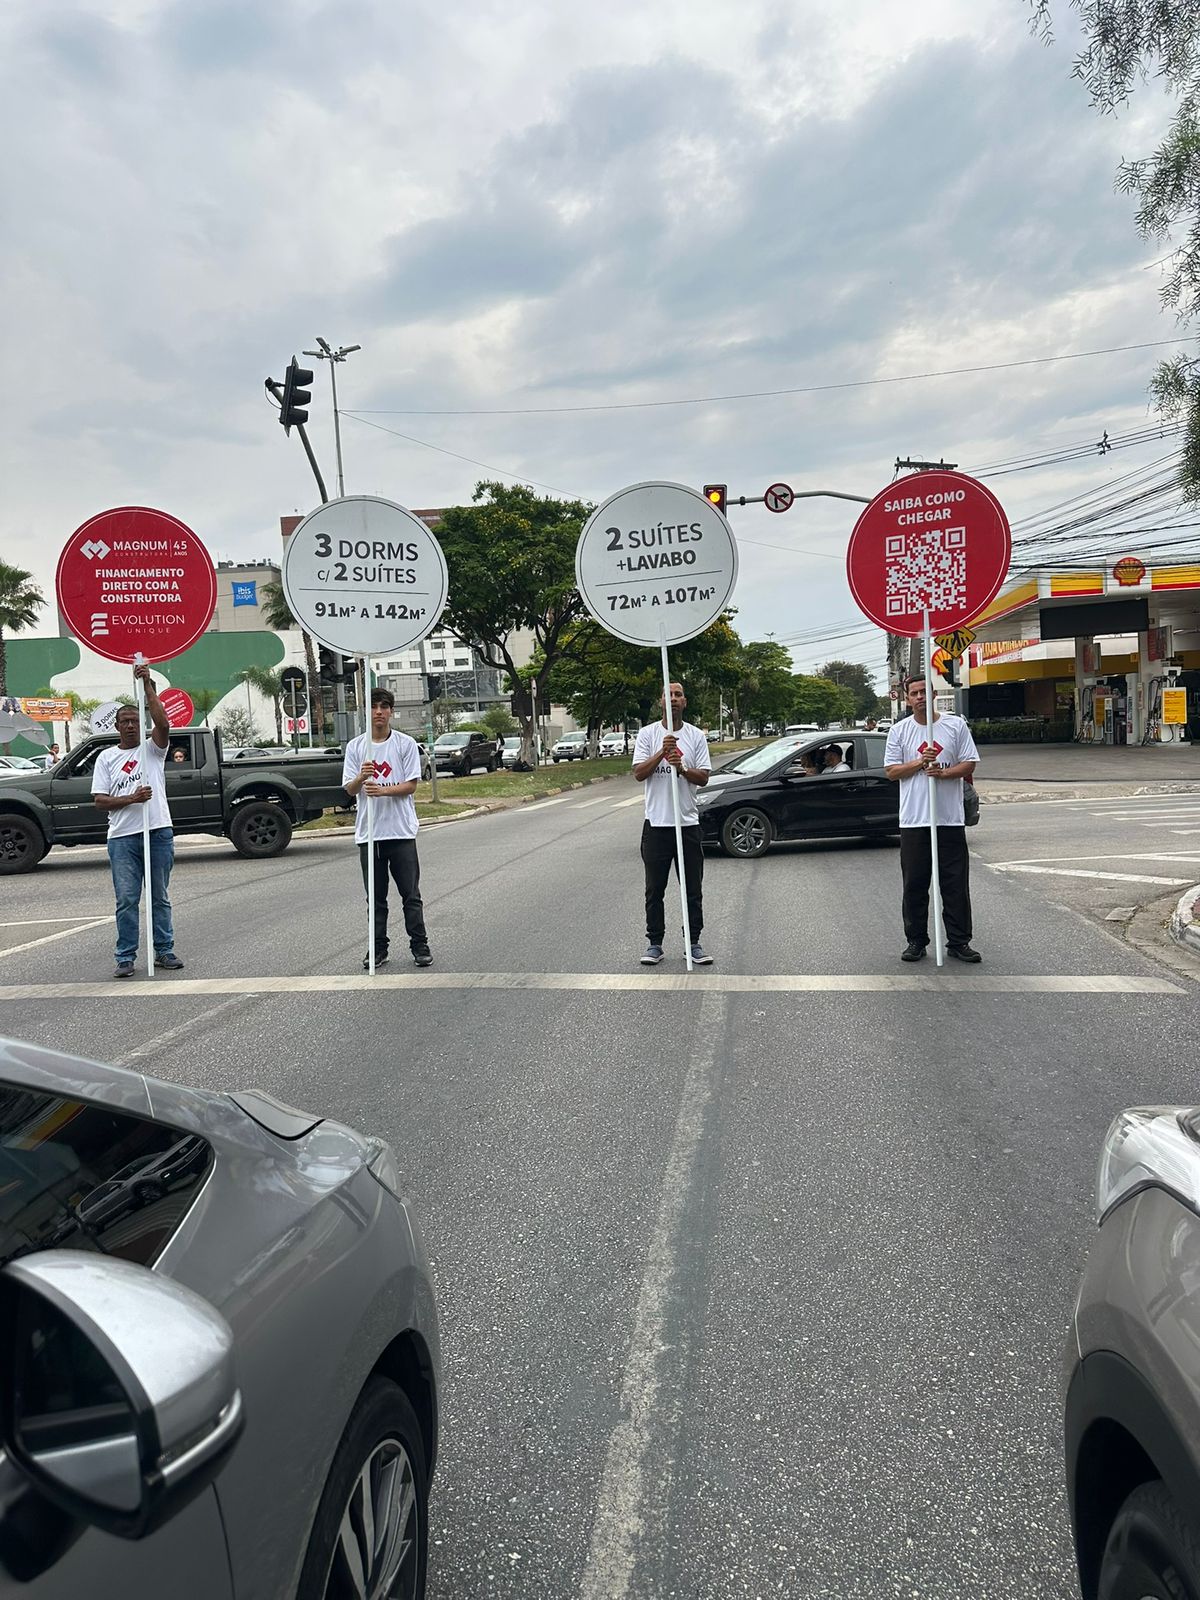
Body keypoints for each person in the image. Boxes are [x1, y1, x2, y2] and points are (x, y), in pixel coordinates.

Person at [90, 666, 183, 979]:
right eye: (125, 722)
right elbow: (100, 800)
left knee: (159, 896)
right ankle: (125, 956)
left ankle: (164, 950)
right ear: (117, 726)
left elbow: (163, 723)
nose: (130, 725)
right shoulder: (106, 758)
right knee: (127, 899)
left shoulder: (152, 750)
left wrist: (148, 688)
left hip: (157, 832)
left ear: (141, 723)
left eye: (134, 721)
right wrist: (132, 798)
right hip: (122, 838)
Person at [884, 674, 980, 963]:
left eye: (924, 692)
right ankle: (916, 941)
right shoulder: (899, 731)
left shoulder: (955, 725)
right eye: (914, 693)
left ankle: (959, 941)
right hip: (914, 820)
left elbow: (969, 763)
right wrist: (919, 762)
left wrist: (944, 773)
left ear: (934, 694)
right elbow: (891, 771)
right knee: (914, 884)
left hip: (949, 818)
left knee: (955, 884)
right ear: (907, 698)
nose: (920, 697)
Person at [342, 688, 432, 971]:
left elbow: (411, 785)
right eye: (374, 706)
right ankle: (378, 948)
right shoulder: (356, 747)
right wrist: (361, 777)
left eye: (384, 706)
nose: (379, 712)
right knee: (376, 899)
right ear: (367, 712)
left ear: (391, 711)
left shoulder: (405, 744)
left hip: (400, 833)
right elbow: (349, 790)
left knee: (410, 895)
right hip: (370, 835)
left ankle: (420, 946)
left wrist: (382, 790)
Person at [632, 681, 712, 966]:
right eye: (669, 695)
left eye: (678, 695)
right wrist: (661, 753)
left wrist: (682, 767)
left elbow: (704, 777)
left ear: (685, 702)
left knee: (692, 889)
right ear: (661, 701)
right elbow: (639, 773)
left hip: (687, 823)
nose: (674, 699)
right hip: (657, 825)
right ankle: (655, 943)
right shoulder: (647, 734)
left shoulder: (695, 736)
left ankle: (693, 942)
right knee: (655, 889)